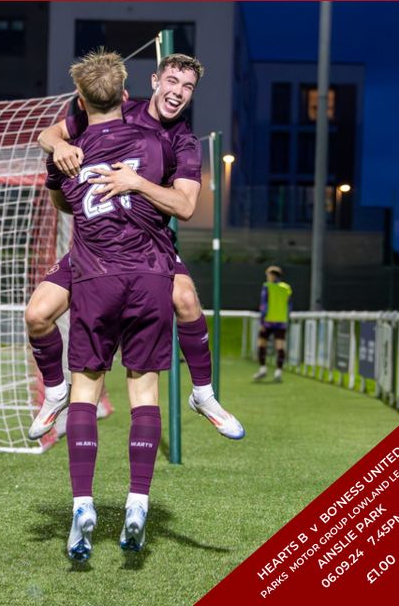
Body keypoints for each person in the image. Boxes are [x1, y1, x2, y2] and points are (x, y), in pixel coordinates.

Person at [26, 53, 244, 443]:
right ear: (156, 80)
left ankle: (204, 394)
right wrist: (57, 147)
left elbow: (186, 206)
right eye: (173, 81)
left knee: (187, 300)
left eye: (188, 87)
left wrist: (137, 183)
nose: (178, 92)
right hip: (93, 247)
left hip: (148, 248)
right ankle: (56, 390)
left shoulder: (184, 142)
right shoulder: (120, 109)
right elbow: (49, 134)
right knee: (38, 314)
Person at [46, 49, 177, 560]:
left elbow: (62, 201)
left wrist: (61, 149)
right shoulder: (157, 140)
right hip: (149, 278)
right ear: (126, 96)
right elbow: (171, 197)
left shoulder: (67, 150)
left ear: (79, 100)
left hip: (96, 279)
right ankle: (138, 504)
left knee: (85, 389)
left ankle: (83, 504)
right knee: (144, 392)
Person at [253, 265, 293, 382]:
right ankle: (278, 371)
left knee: (261, 345)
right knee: (280, 347)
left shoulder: (267, 287)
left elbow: (264, 305)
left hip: (268, 322)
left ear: (273, 276)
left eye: (268, 275)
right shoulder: (286, 288)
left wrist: (262, 320)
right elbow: (289, 305)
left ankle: (263, 369)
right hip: (281, 322)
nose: (267, 278)